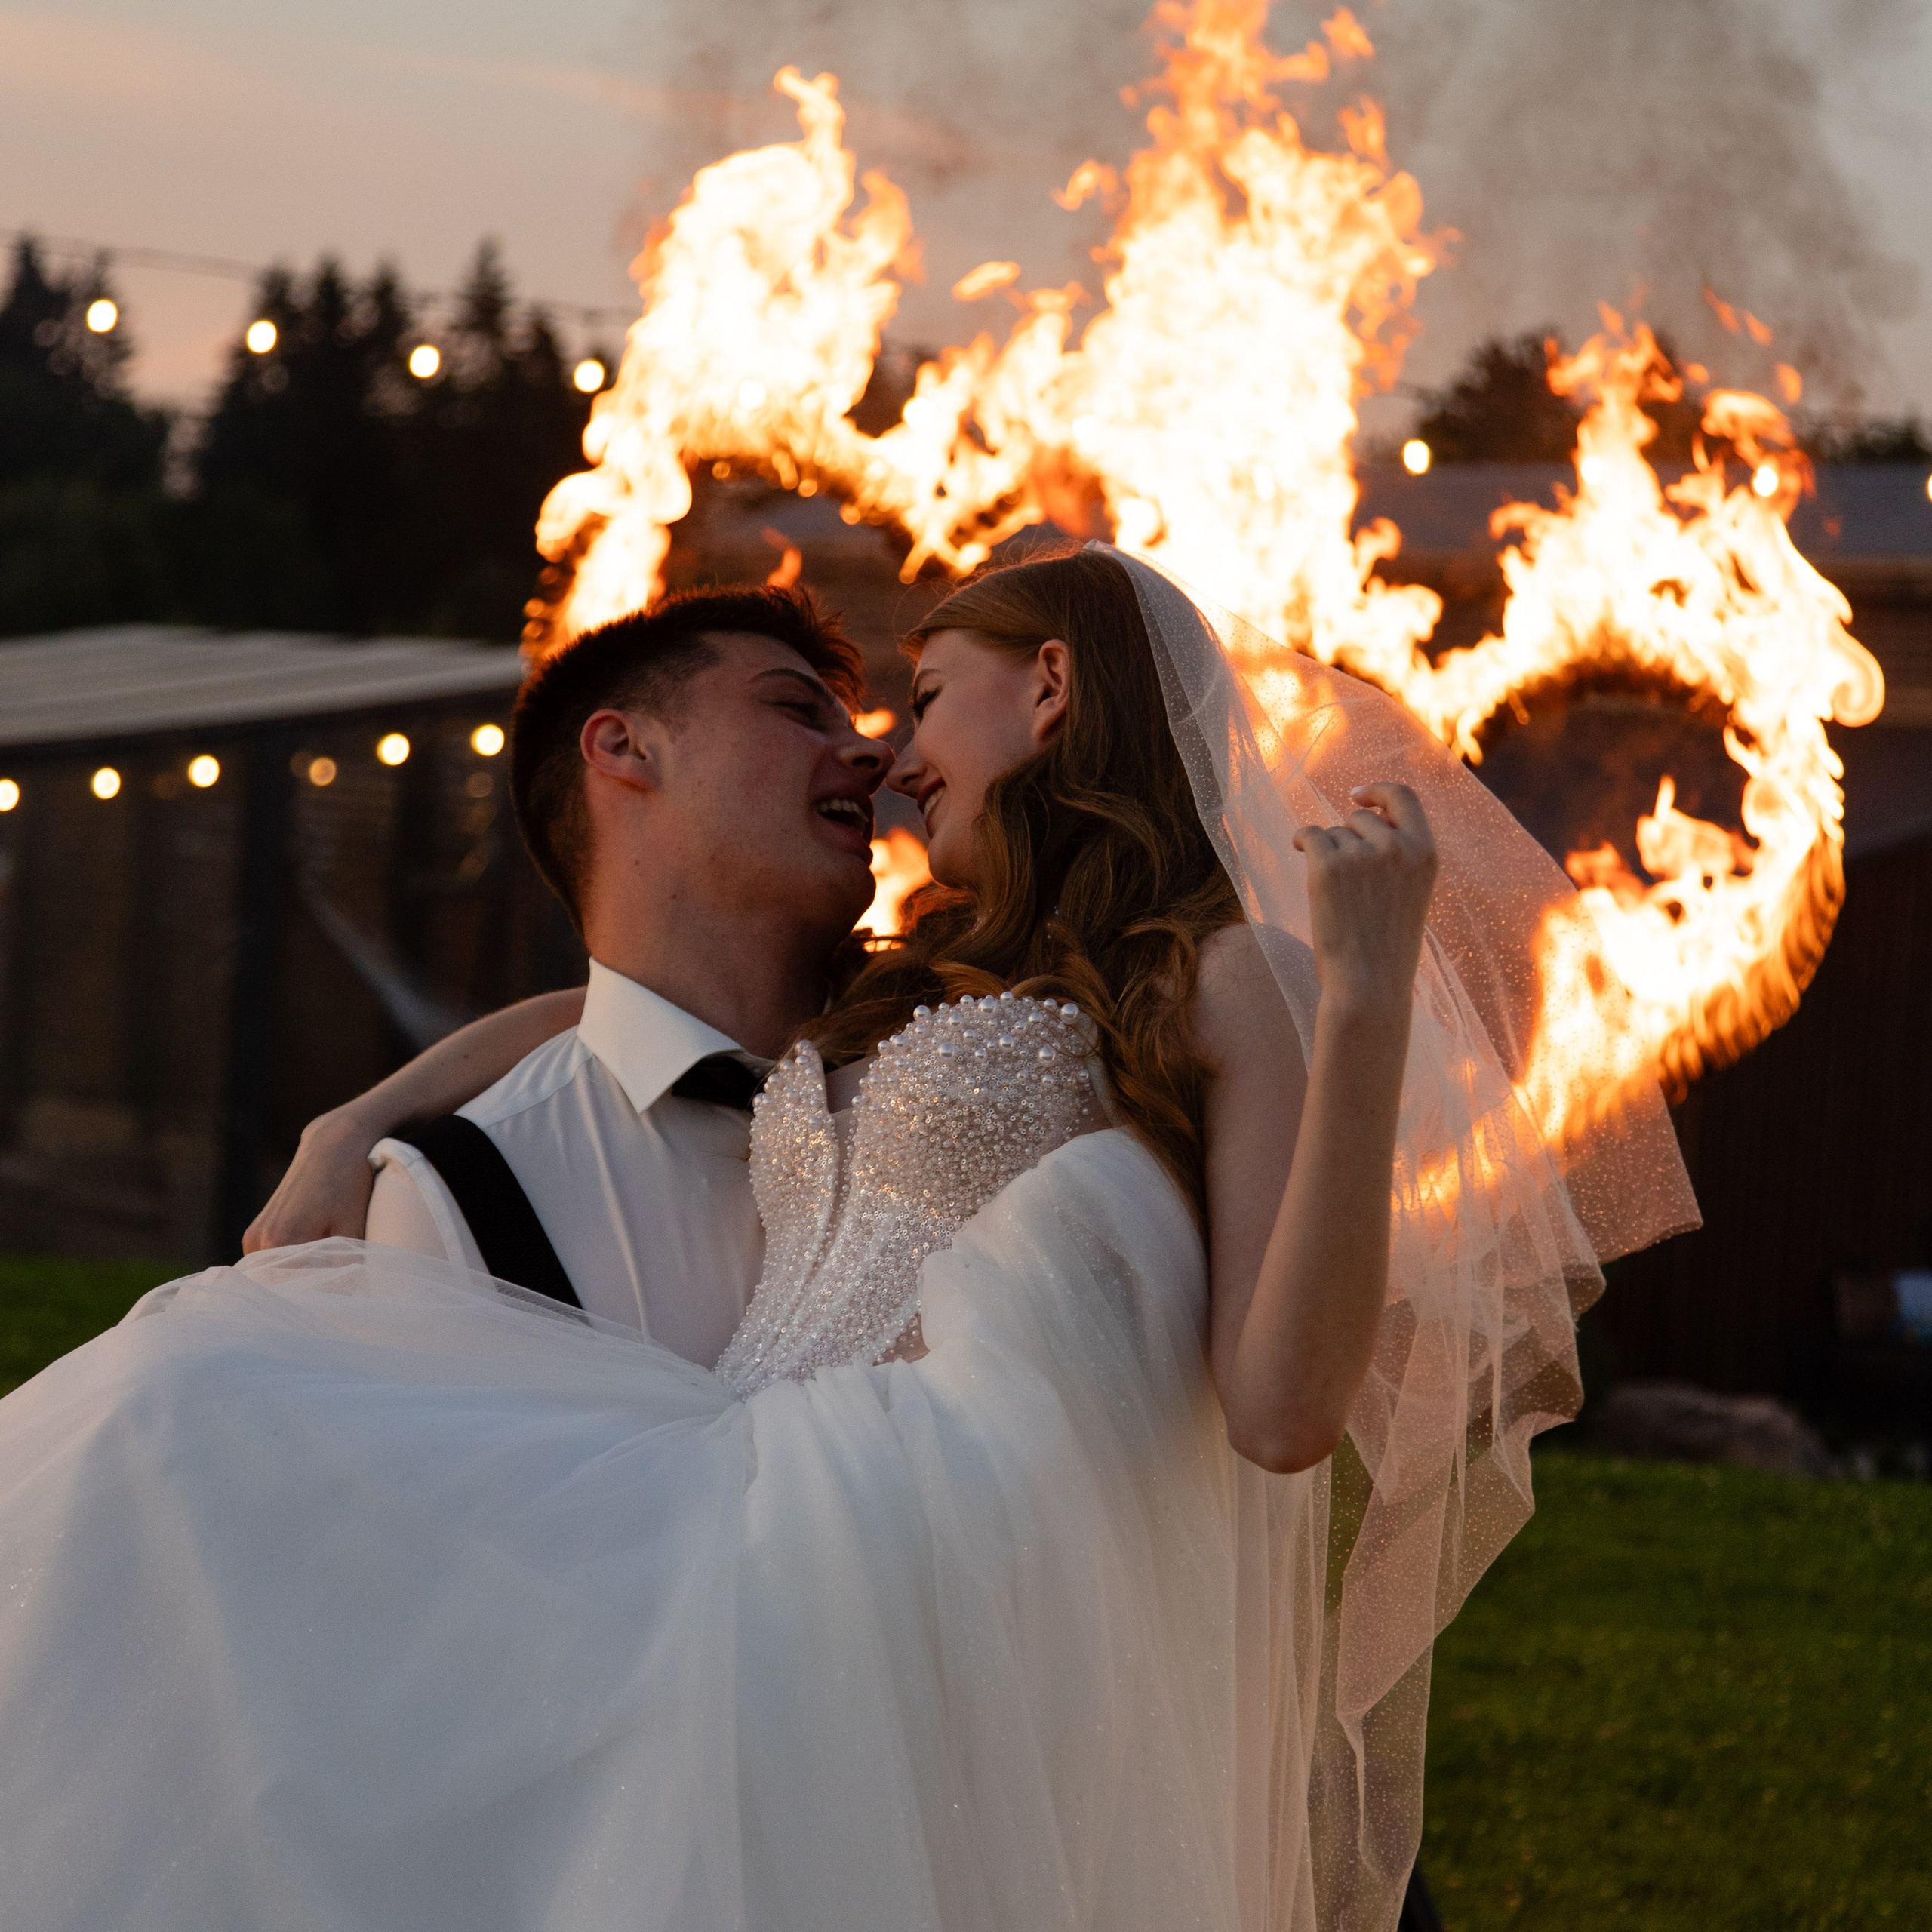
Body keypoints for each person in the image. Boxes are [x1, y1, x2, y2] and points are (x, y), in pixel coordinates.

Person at [0, 544, 1695, 1932]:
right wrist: (360, 1115)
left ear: (1051, 686)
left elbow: (1278, 1408)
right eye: (840, 713)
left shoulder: (1224, 977)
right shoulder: (922, 984)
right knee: (185, 1419)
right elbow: (614, 1005)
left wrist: (1372, 989)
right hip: (739, 1485)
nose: (888, 752)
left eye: (922, 697)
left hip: (898, 1538)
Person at [244, 583, 891, 1363]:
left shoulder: (971, 1059)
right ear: (623, 748)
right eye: (796, 710)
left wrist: (358, 1115)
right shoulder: (459, 1199)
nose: (873, 754)